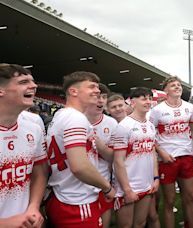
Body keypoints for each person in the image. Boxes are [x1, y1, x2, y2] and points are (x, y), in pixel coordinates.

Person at [45, 71, 115, 227]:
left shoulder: (61, 114)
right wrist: (107, 187)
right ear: (73, 91)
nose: (97, 91)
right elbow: (80, 167)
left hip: (64, 194)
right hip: (76, 200)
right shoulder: (75, 118)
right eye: (91, 87)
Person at [0, 64, 48, 227]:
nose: (33, 86)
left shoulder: (33, 128)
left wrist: (33, 207)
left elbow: (39, 172)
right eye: (23, 81)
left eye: (32, 81)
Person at [149, 76, 193, 228]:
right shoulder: (157, 110)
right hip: (167, 159)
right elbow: (150, 135)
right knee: (170, 201)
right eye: (173, 85)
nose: (177, 87)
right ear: (165, 90)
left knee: (191, 196)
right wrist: (161, 152)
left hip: (186, 155)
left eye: (179, 85)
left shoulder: (189, 107)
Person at [113, 87, 160, 228]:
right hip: (127, 186)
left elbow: (152, 153)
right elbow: (118, 160)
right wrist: (127, 190)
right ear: (132, 102)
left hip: (146, 184)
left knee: (140, 224)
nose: (148, 101)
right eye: (143, 98)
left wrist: (156, 178)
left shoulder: (151, 126)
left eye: (149, 98)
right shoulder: (124, 126)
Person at [84, 83, 118, 228]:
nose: (101, 100)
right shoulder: (75, 120)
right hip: (80, 186)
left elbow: (113, 158)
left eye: (104, 97)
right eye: (97, 96)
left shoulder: (111, 123)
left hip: (103, 184)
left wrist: (99, 145)